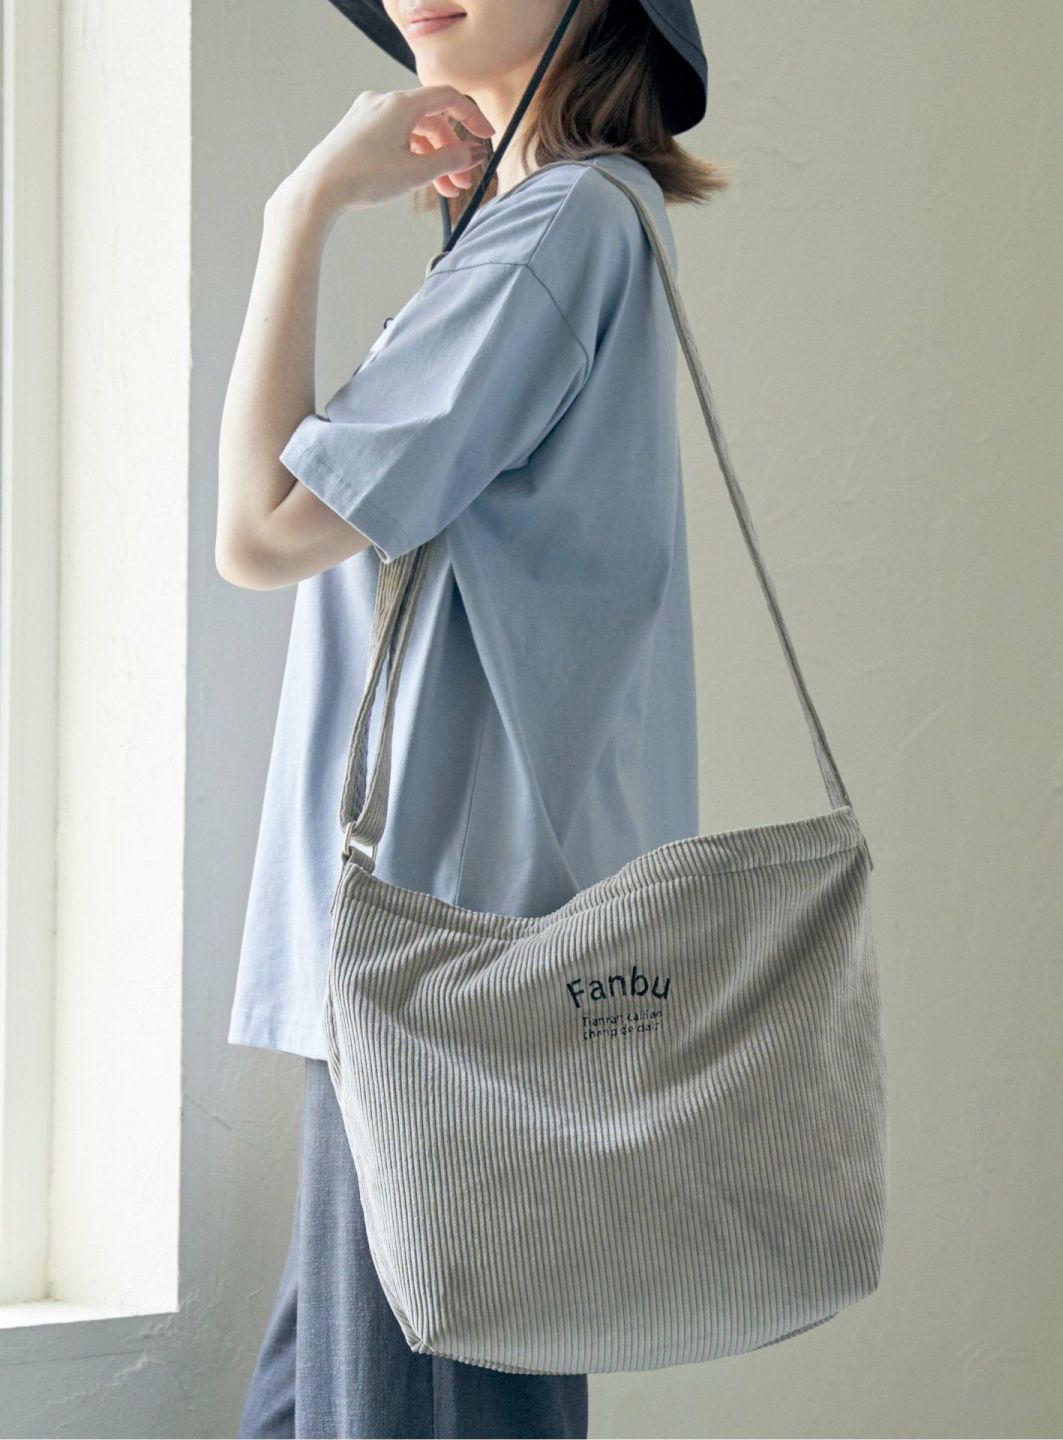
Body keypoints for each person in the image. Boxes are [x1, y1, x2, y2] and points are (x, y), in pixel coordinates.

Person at [217, 0, 725, 1434]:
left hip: (443, 952)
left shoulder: (562, 230)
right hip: (446, 941)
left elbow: (263, 531)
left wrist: (300, 210)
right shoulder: (554, 226)